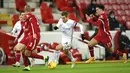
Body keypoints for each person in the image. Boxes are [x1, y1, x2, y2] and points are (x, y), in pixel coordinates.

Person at [13, 5, 49, 71]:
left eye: (23, 15)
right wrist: (17, 37)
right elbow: (22, 30)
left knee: (27, 53)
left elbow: (34, 25)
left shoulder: (30, 17)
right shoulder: (24, 21)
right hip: (27, 37)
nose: (22, 16)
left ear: (25, 10)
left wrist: (34, 33)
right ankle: (26, 66)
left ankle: (44, 57)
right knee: (20, 49)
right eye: (21, 16)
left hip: (32, 36)